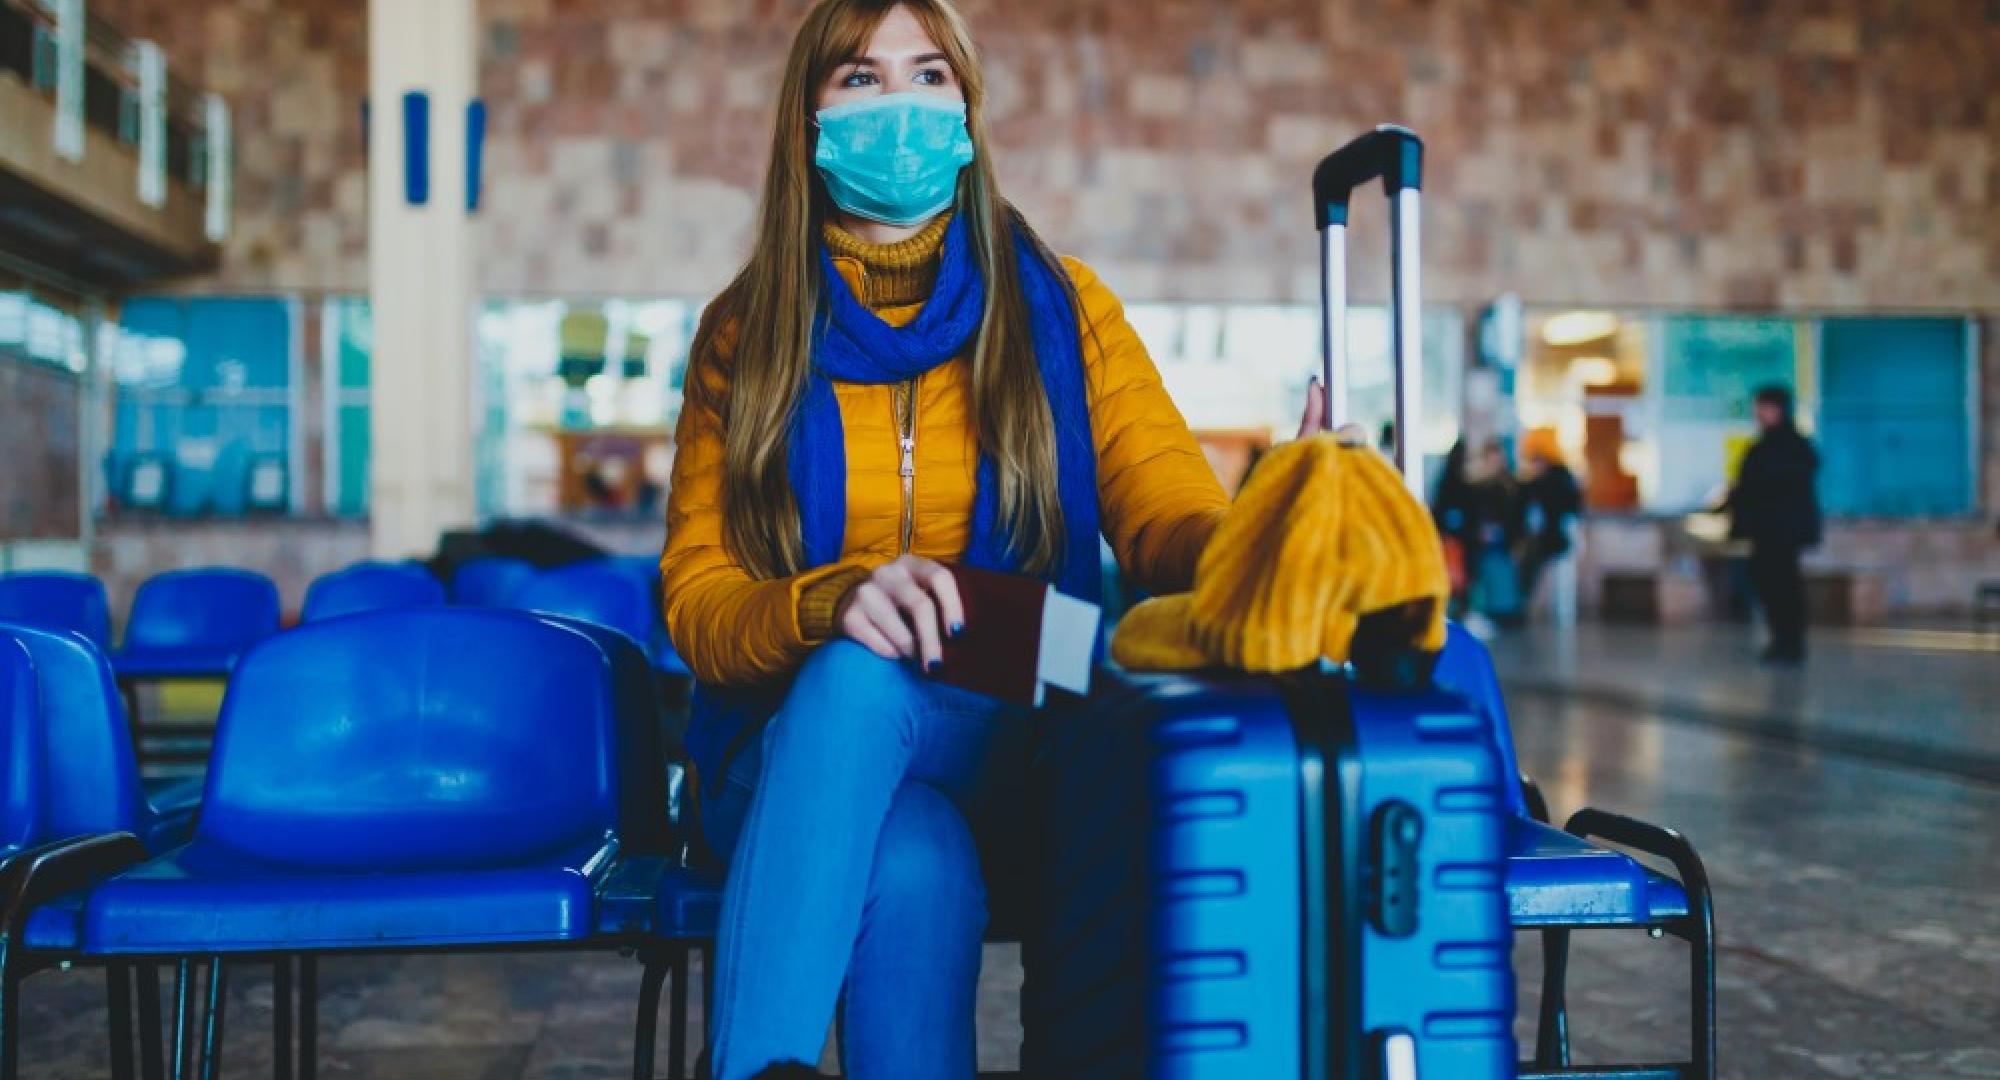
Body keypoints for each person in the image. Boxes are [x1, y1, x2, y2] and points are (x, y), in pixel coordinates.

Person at [657, 3, 1322, 1076]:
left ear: (966, 110)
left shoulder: (1064, 308)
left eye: (929, 76)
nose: (902, 108)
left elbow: (1167, 518)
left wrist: (1270, 533)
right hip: (792, 748)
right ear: (808, 114)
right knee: (910, 839)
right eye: (860, 80)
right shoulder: (744, 335)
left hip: (1029, 693)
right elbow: (697, 600)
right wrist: (832, 601)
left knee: (862, 689)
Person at [1724, 384, 1821, 663]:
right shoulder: (1765, 447)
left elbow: (1777, 487)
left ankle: (1789, 642)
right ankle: (1782, 639)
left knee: (1783, 585)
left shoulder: (1791, 447)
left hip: (1781, 531)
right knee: (1767, 582)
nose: (1758, 413)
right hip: (1766, 531)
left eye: (1764, 407)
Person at [1513, 429, 1582, 613]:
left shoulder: (1556, 482)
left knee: (1558, 580)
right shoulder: (1539, 483)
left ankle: (1540, 607)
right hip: (1547, 538)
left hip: (1555, 538)